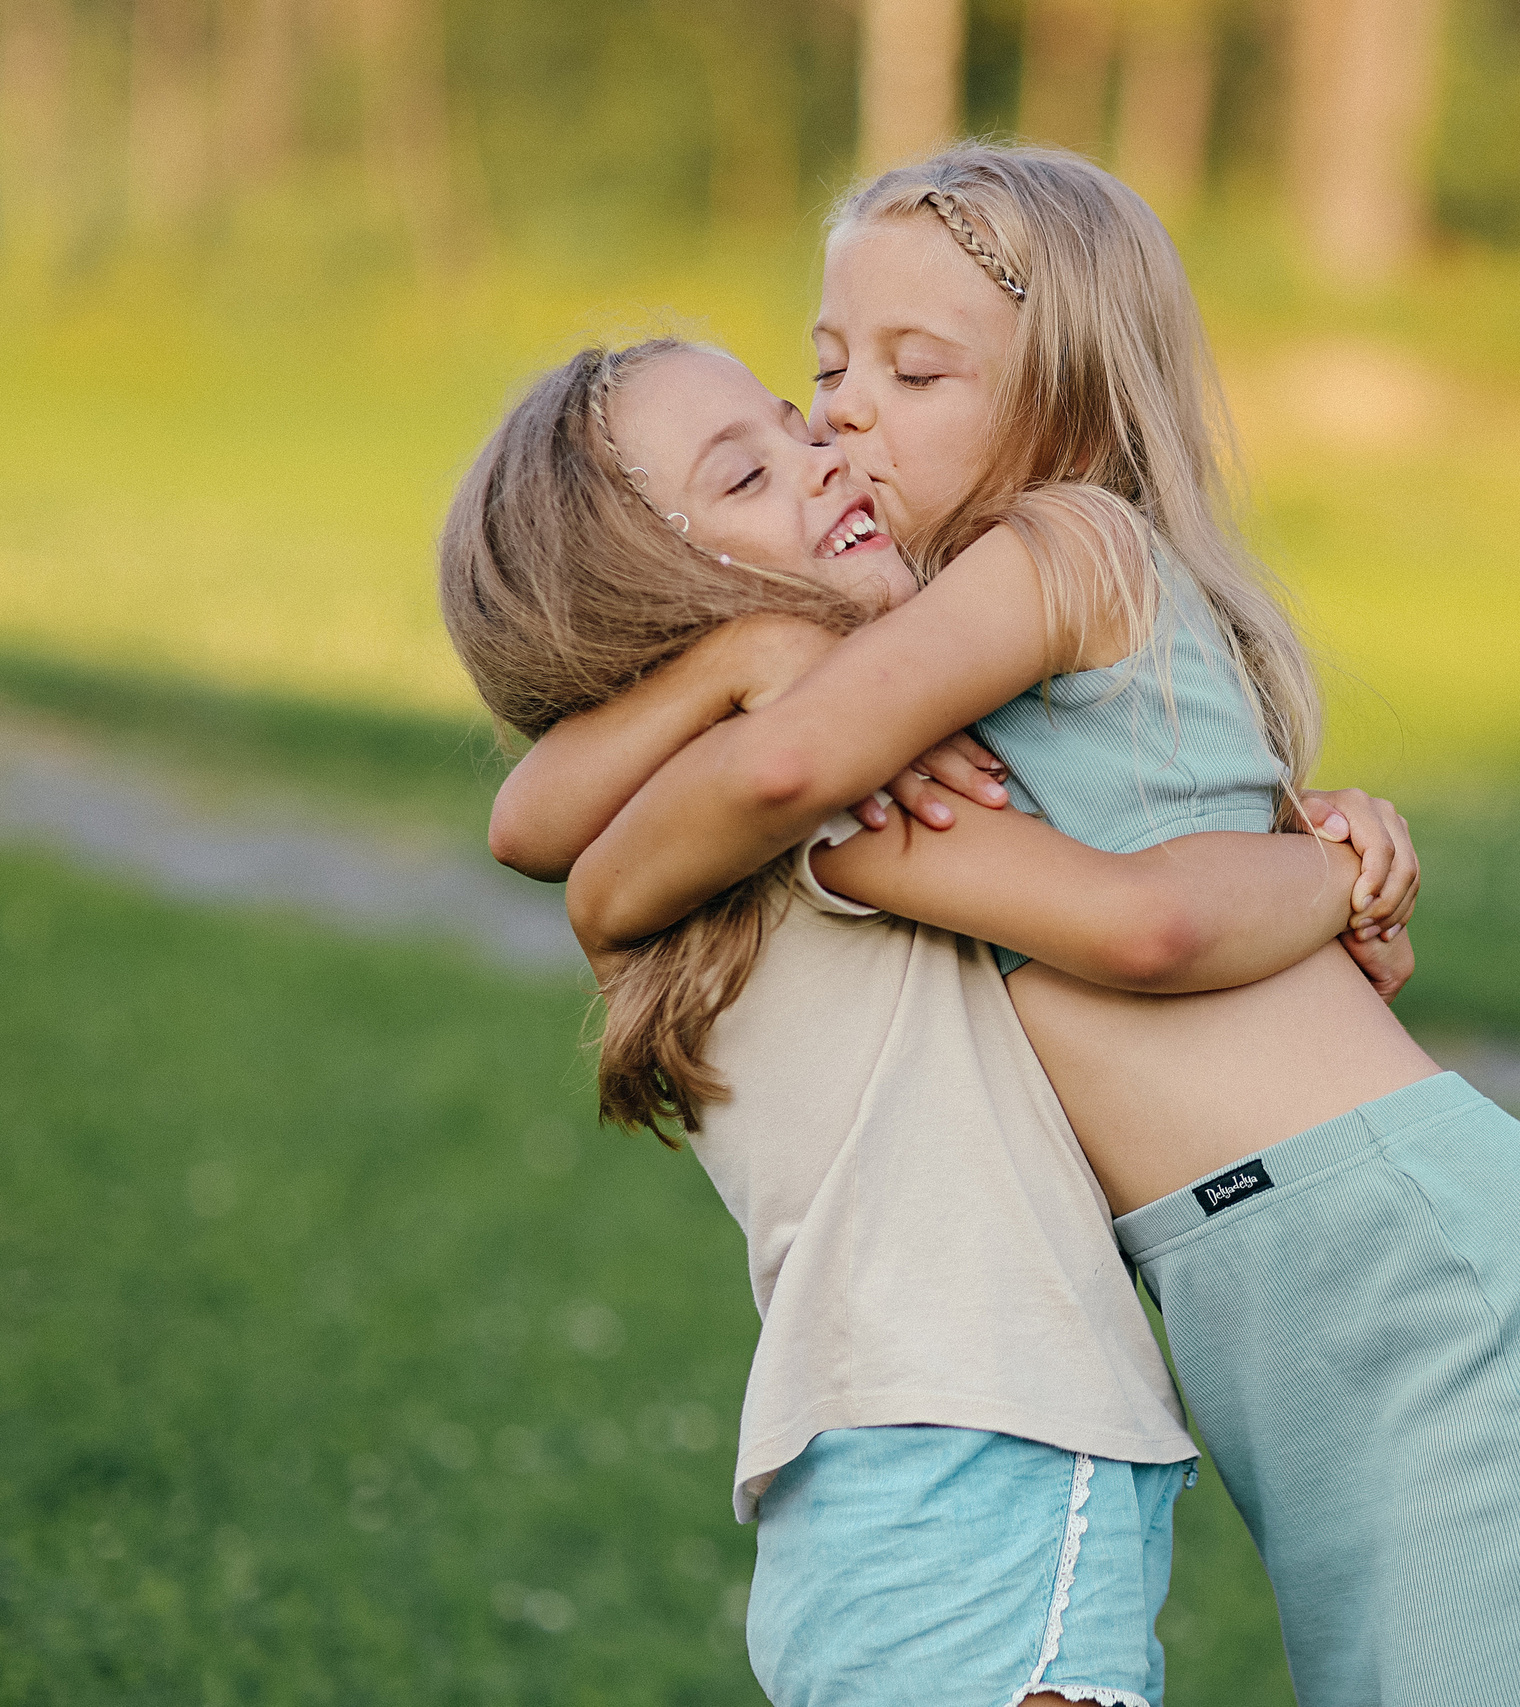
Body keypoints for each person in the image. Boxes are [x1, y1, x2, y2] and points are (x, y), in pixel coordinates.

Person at [498, 143, 1520, 1706]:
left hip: (1416, 1273)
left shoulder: (1061, 546)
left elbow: (1117, 918)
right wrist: (747, 653)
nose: (842, 417)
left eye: (915, 369)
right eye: (827, 367)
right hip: (1286, 1299)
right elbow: (539, 827)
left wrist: (1336, 879)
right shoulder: (891, 683)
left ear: (1069, 406)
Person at [439, 336, 1419, 1707]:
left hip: (881, 1474)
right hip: (986, 1437)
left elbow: (531, 817)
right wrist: (1342, 873)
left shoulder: (793, 800)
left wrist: (1313, 841)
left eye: (797, 422)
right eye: (747, 472)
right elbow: (1146, 925)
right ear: (646, 595)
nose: (824, 452)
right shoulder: (814, 799)